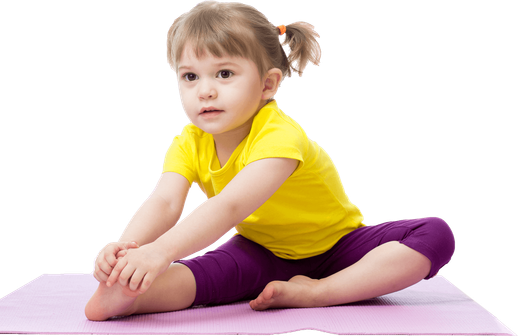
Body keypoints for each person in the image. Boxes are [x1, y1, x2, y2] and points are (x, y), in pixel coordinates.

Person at [85, 0, 456, 321]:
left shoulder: (280, 136)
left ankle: (319, 293)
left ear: (267, 84)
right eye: (190, 76)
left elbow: (230, 206)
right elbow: (165, 201)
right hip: (259, 253)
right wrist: (126, 251)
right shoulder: (189, 141)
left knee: (436, 234)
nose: (206, 90)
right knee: (176, 277)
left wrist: (159, 251)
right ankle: (131, 297)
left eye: (225, 73)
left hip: (339, 248)